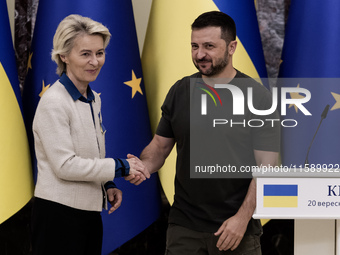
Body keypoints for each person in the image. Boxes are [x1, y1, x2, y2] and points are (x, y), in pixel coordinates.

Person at [126, 11, 280, 255]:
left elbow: (268, 166)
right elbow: (160, 147)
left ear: (232, 47)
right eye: (194, 46)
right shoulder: (180, 91)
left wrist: (241, 219)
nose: (199, 54)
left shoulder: (258, 97)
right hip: (184, 229)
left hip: (237, 230)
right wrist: (144, 165)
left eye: (209, 46)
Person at [31, 14, 149, 255]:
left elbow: (89, 153)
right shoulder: (54, 102)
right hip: (58, 216)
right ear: (64, 56)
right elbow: (65, 165)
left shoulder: (93, 98)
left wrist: (106, 184)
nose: (95, 61)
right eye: (85, 53)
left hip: (89, 214)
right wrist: (121, 166)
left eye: (100, 52)